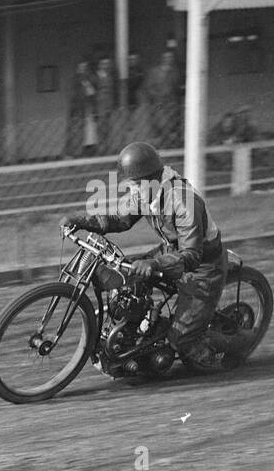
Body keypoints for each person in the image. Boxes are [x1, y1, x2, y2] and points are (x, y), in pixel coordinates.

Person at [60, 141, 252, 372]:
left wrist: (153, 263)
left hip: (203, 267)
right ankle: (139, 337)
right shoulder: (145, 193)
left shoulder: (184, 201)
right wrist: (81, 220)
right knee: (128, 282)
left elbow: (191, 255)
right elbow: (119, 219)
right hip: (171, 251)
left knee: (181, 340)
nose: (129, 191)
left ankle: (241, 342)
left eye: (132, 186)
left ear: (148, 180)